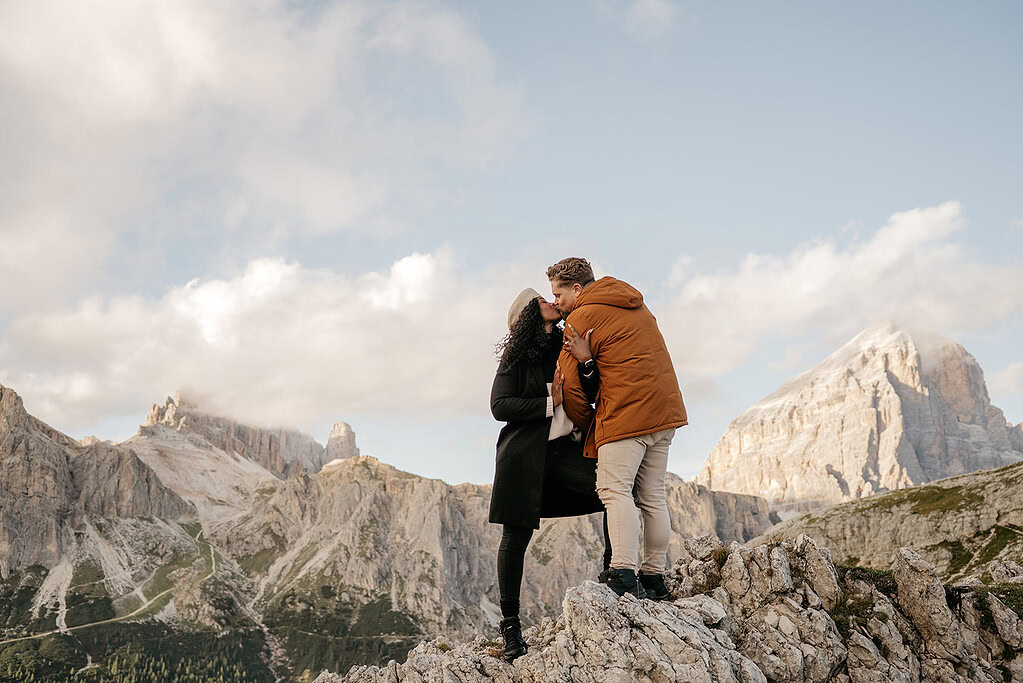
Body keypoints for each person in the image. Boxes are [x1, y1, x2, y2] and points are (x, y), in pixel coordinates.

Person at [549, 257, 688, 600]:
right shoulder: (636, 305)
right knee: (653, 496)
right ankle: (654, 577)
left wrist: (587, 425)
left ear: (577, 289)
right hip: (665, 412)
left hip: (626, 415)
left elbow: (569, 390)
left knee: (614, 491)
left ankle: (623, 573)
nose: (556, 303)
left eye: (558, 294)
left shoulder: (581, 318)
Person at [489, 288, 612, 661]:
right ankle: (511, 628)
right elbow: (499, 405)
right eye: (539, 299)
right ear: (527, 314)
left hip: (562, 455)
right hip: (523, 459)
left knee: (613, 491)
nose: (549, 300)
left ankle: (614, 577)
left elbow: (590, 390)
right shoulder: (515, 356)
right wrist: (550, 402)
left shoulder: (565, 342)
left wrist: (587, 362)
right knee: (515, 537)